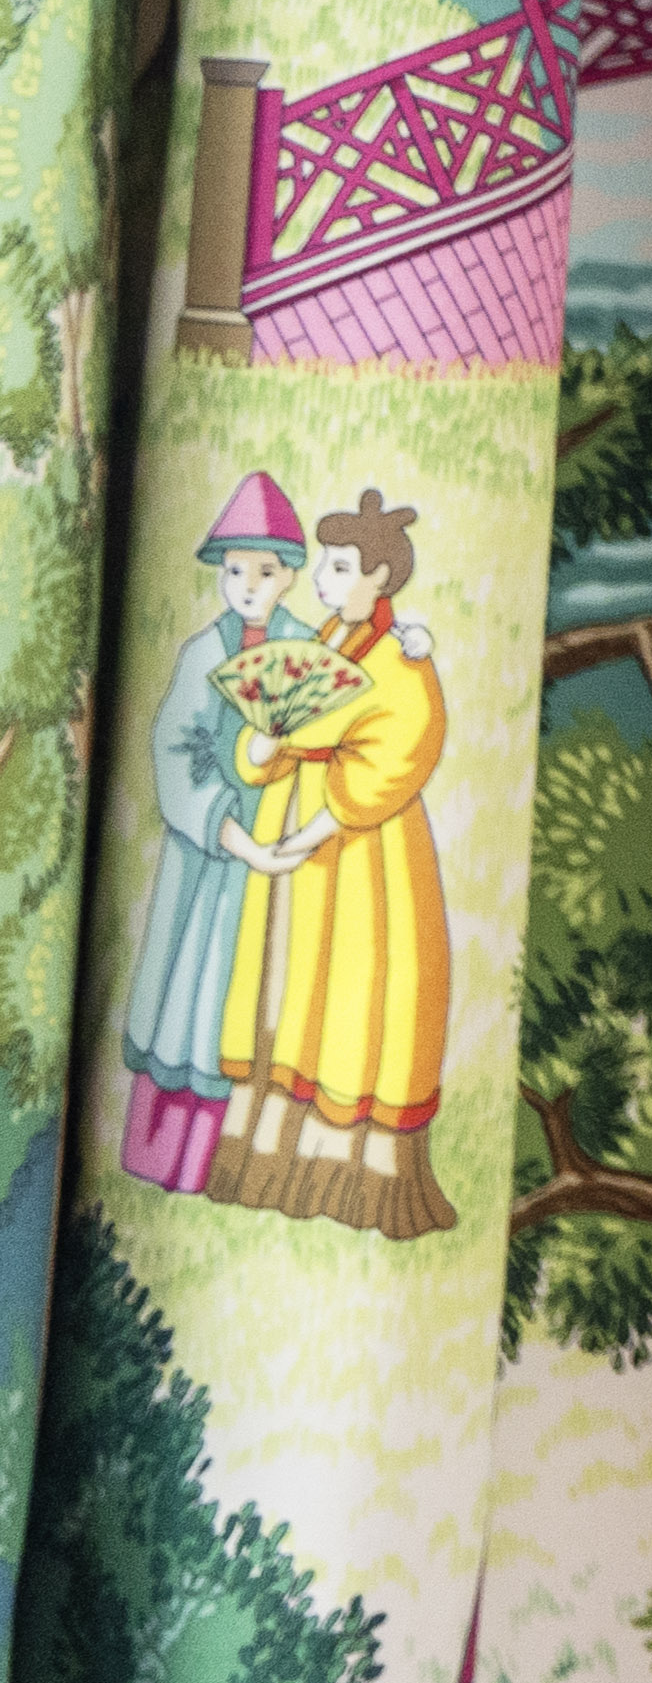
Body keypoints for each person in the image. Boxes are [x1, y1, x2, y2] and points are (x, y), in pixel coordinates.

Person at [211, 486, 456, 1238]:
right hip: (304, 829)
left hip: (364, 846)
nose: (325, 579)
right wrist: (261, 750)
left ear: (380, 578)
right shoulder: (324, 641)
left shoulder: (401, 659)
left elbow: (403, 750)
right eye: (324, 564)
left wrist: (324, 822)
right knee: (290, 982)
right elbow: (285, 722)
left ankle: (350, 1167)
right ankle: (267, 1152)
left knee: (358, 986)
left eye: (341, 566)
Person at [111, 477, 303, 1204]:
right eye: (233, 570)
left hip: (274, 871)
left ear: (288, 576)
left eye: (263, 571)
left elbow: (327, 730)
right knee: (181, 999)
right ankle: (151, 1171)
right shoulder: (203, 653)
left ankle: (209, 1170)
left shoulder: (303, 652)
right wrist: (231, 824)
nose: (246, 586)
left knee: (241, 1016)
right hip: (205, 862)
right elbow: (175, 748)